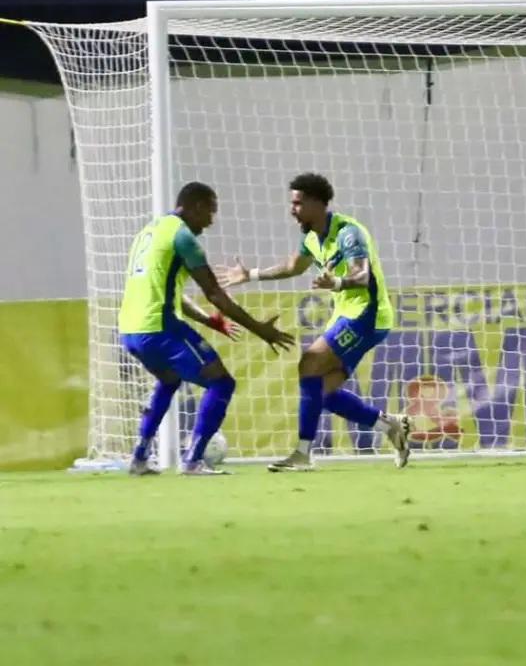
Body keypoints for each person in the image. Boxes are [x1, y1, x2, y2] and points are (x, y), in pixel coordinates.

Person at [218, 172, 411, 470]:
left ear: (318, 204)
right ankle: (390, 427)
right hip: (346, 314)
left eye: (297, 203)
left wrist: (335, 284)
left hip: (367, 315)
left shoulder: (348, 233)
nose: (292, 210)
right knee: (323, 393)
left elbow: (362, 275)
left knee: (308, 363)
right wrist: (251, 275)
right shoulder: (311, 237)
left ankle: (303, 454)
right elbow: (293, 266)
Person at [119, 182, 294, 476]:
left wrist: (207, 320)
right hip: (160, 329)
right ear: (196, 206)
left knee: (169, 380)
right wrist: (259, 329)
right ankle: (193, 460)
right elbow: (214, 293)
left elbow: (169, 292)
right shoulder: (183, 237)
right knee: (222, 382)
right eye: (210, 213)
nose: (211, 221)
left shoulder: (149, 232)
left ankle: (139, 457)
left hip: (130, 330)